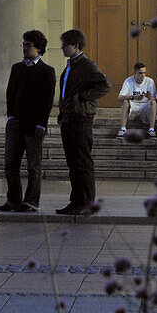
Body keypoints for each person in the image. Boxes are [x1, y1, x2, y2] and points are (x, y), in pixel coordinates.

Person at [0, 29, 56, 213]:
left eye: (28, 45)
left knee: (33, 165)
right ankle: (13, 200)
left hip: (34, 124)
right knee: (10, 163)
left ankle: (31, 201)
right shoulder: (17, 68)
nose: (25, 48)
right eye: (24, 44)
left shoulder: (47, 71)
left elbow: (47, 100)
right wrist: (11, 115)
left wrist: (41, 124)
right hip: (15, 122)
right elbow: (10, 93)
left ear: (38, 47)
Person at [56, 29, 110, 215]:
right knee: (73, 163)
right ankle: (76, 201)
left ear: (76, 46)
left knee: (82, 162)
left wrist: (83, 97)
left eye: (65, 45)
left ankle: (87, 202)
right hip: (69, 119)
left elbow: (104, 84)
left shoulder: (87, 65)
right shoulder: (70, 66)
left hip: (81, 120)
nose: (62, 48)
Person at [118, 61, 157, 138]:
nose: (143, 75)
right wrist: (133, 97)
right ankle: (122, 129)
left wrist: (150, 97)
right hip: (133, 107)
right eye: (140, 73)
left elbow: (155, 100)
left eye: (144, 73)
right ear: (135, 73)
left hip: (145, 107)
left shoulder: (150, 81)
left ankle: (151, 129)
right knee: (125, 102)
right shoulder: (128, 81)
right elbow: (120, 97)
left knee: (153, 103)